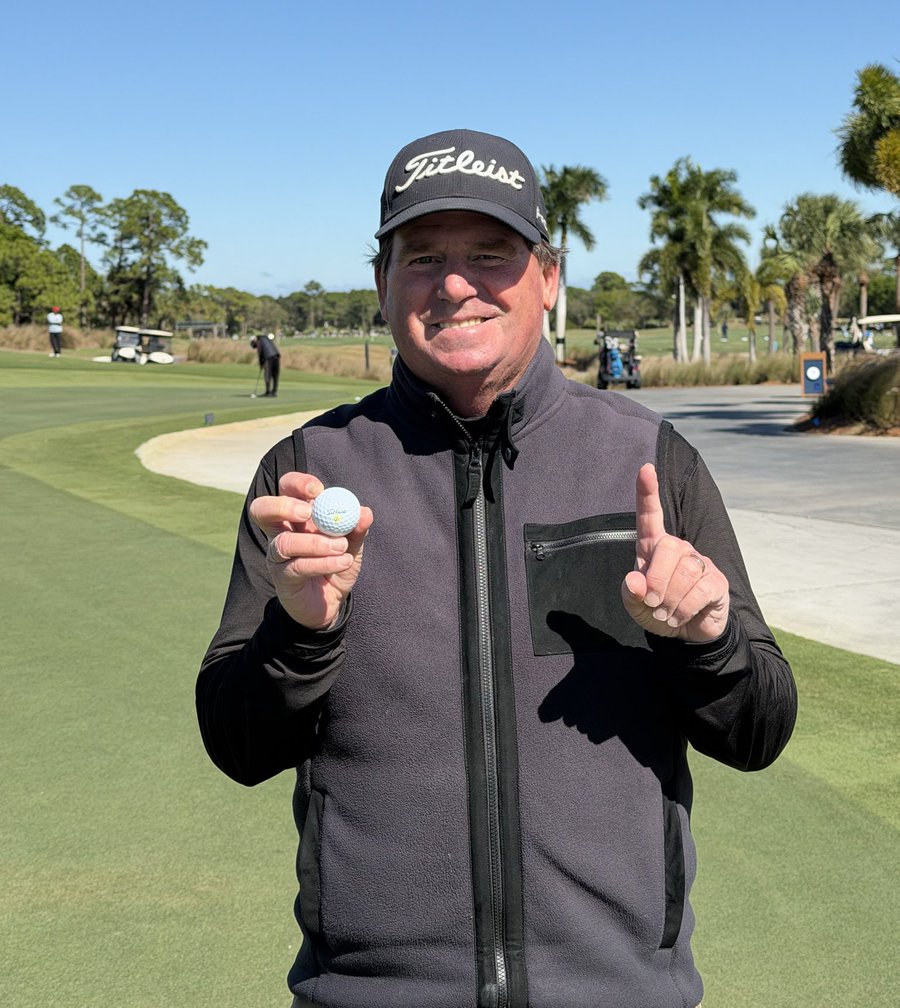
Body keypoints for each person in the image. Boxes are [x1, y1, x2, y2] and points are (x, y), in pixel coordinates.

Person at [197, 128, 797, 1008]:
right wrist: (301, 631)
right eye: (422, 257)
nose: (454, 284)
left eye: (491, 254)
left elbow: (759, 731)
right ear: (381, 283)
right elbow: (238, 746)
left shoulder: (648, 461)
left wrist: (707, 642)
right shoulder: (309, 472)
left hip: (617, 992)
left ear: (547, 278)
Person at [251, 332, 281, 396]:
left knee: (267, 374)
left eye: (254, 344)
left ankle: (268, 392)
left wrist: (261, 364)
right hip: (276, 356)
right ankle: (274, 392)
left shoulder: (259, 341)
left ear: (254, 340)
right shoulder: (266, 338)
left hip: (268, 357)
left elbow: (260, 353)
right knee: (275, 375)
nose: (255, 346)